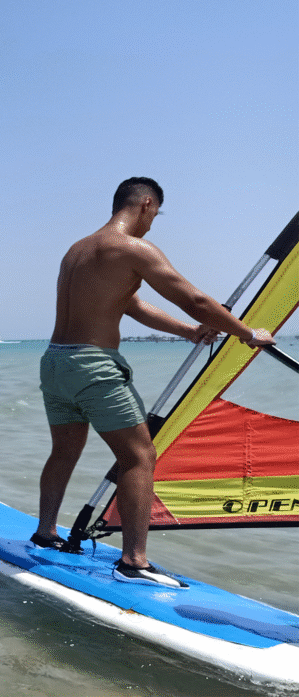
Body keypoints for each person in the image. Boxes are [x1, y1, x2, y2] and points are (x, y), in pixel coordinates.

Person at [33, 177, 275, 588]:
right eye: (156, 215)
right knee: (139, 456)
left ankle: (45, 532)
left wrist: (188, 331)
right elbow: (195, 299)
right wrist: (247, 333)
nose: (152, 224)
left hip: (56, 363)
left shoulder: (79, 250)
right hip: (94, 365)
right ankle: (134, 562)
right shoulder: (134, 248)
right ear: (146, 204)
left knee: (65, 450)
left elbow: (132, 305)